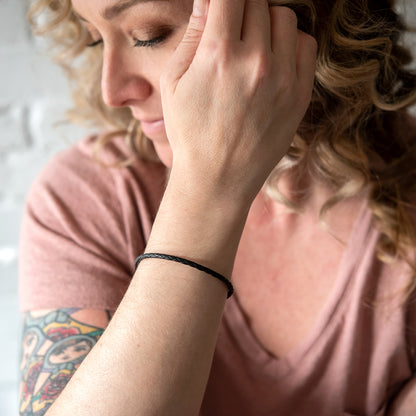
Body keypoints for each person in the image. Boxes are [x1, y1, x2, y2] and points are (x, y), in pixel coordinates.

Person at [17, 0, 416, 414]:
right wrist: (209, 186)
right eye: (95, 40)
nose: (113, 91)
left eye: (149, 34)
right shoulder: (82, 201)